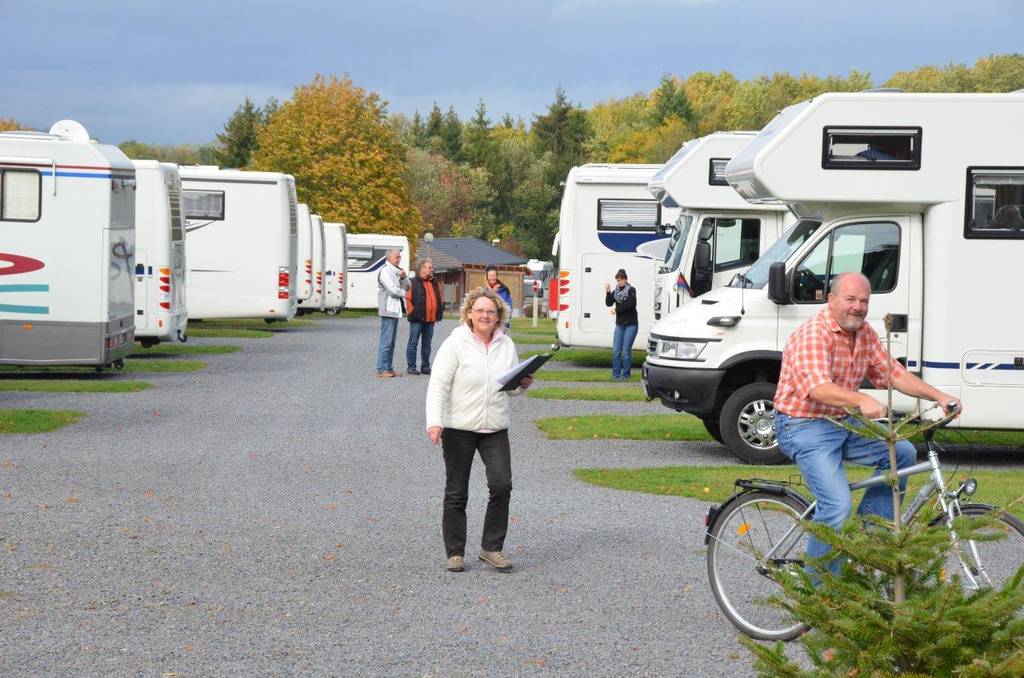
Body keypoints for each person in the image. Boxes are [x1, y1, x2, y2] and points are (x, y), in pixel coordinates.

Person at [773, 272, 961, 574]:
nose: (858, 307)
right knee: (836, 506)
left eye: (864, 301)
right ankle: (819, 594)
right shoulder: (813, 334)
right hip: (802, 425)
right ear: (831, 300)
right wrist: (860, 400)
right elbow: (818, 388)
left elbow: (893, 374)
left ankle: (866, 543)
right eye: (850, 299)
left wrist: (938, 396)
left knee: (902, 453)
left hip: (841, 422)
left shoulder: (865, 334)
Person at [425, 286, 534, 573]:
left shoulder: (506, 345)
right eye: (480, 311)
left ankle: (491, 547)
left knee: (501, 484)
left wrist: (521, 386)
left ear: (499, 317)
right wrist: (434, 421)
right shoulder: (455, 344)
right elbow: (438, 385)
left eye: (491, 311)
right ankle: (455, 552)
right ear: (469, 314)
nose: (486, 315)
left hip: (494, 428)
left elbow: (507, 389)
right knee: (457, 490)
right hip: (458, 427)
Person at [405, 258, 443, 375]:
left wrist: (438, 314)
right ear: (422, 268)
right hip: (417, 318)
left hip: (430, 319)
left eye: (432, 267)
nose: (432, 269)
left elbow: (440, 299)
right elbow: (407, 298)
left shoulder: (435, 283)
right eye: (430, 267)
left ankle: (425, 367)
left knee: (427, 344)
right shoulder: (412, 282)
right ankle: (411, 367)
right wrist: (411, 310)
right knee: (413, 343)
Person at [376, 249, 411, 378]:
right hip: (387, 309)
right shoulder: (385, 271)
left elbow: (408, 285)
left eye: (399, 257)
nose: (399, 259)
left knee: (391, 342)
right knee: (386, 341)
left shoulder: (397, 270)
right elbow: (392, 290)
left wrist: (404, 277)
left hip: (395, 310)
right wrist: (406, 294)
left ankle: (389, 368)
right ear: (389, 257)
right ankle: (381, 369)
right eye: (397, 257)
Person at [604, 268, 638, 381]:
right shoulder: (616, 291)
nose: (619, 282)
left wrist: (617, 310)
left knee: (625, 351)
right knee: (616, 351)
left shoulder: (631, 290)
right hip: (620, 325)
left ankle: (626, 375)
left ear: (626, 279)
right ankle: (615, 375)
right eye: (618, 280)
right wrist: (608, 291)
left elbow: (631, 304)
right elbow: (609, 303)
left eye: (621, 279)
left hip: (631, 325)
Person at [484, 266, 513, 330]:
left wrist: (506, 320)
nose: (492, 278)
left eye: (494, 276)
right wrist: (492, 293)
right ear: (487, 277)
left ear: (497, 276)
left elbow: (509, 305)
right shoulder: (483, 290)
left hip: (501, 322)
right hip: (488, 321)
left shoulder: (504, 289)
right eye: (490, 276)